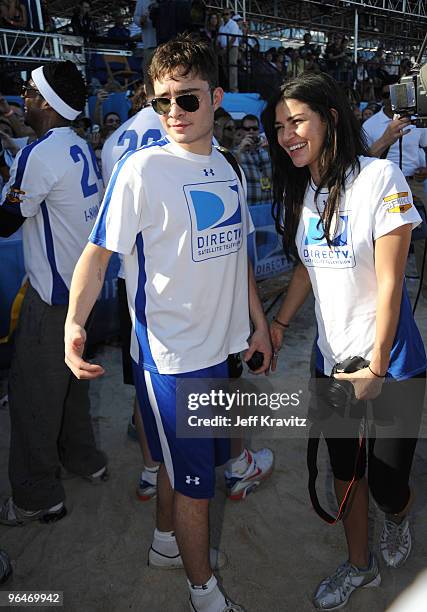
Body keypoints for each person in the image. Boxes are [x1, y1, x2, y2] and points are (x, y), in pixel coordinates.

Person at [65, 35, 271, 612]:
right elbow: (98, 252)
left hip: (219, 350)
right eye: (163, 101)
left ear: (217, 97)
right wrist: (73, 323)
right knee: (195, 485)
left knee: (174, 468)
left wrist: (257, 325)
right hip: (172, 360)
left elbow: (238, 257)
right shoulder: (143, 169)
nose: (174, 113)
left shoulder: (227, 168)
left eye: (187, 99)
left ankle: (164, 546)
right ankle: (204, 595)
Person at [262, 72, 426, 610]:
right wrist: (280, 323)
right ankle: (360, 566)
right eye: (280, 126)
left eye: (297, 121)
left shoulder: (382, 179)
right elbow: (310, 267)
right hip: (330, 362)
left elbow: (390, 282)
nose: (287, 135)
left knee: (386, 484)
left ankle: (398, 517)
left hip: (391, 364)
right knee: (344, 475)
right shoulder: (307, 189)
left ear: (330, 117)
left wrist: (376, 366)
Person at [0, 61, 107, 526]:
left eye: (28, 91)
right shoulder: (76, 144)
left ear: (45, 102)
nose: (21, 98)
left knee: (33, 396)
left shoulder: (37, 156)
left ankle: (36, 495)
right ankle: (85, 459)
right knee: (70, 388)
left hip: (53, 298)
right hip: (85, 292)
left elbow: (5, 220)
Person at [363, 78, 427, 297]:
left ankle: (425, 287)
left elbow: (425, 146)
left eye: (397, 94)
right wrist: (386, 138)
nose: (392, 100)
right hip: (381, 187)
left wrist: (426, 169)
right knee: (380, 238)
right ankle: (377, 290)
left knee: (423, 236)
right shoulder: (370, 125)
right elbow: (361, 159)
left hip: (413, 184)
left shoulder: (417, 122)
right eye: (386, 95)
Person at [234, 114, 272, 206]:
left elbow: (281, 172)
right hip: (249, 208)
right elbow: (230, 174)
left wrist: (271, 151)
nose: (251, 131)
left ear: (259, 130)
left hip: (269, 207)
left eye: (254, 128)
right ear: (242, 131)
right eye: (247, 129)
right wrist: (240, 151)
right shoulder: (236, 152)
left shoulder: (266, 150)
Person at [216, 8, 240, 92]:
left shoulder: (233, 24)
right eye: (223, 14)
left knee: (232, 68)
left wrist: (225, 50)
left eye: (227, 14)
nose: (225, 16)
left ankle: (234, 89)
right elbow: (218, 39)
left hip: (232, 48)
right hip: (223, 49)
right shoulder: (222, 26)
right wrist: (219, 49)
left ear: (230, 15)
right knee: (226, 69)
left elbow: (233, 38)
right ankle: (229, 87)